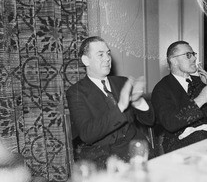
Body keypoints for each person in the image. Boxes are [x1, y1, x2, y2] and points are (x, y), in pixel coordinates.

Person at [66, 36, 155, 169]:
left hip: (136, 148)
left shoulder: (122, 82)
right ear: (86, 60)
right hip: (105, 156)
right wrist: (120, 107)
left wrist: (138, 101)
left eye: (108, 53)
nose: (107, 58)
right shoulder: (76, 92)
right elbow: (87, 134)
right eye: (100, 55)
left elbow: (150, 120)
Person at [151, 40, 207, 153]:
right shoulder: (162, 89)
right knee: (203, 138)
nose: (194, 59)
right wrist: (201, 100)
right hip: (178, 144)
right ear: (173, 60)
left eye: (193, 54)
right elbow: (170, 123)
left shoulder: (200, 82)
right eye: (188, 55)